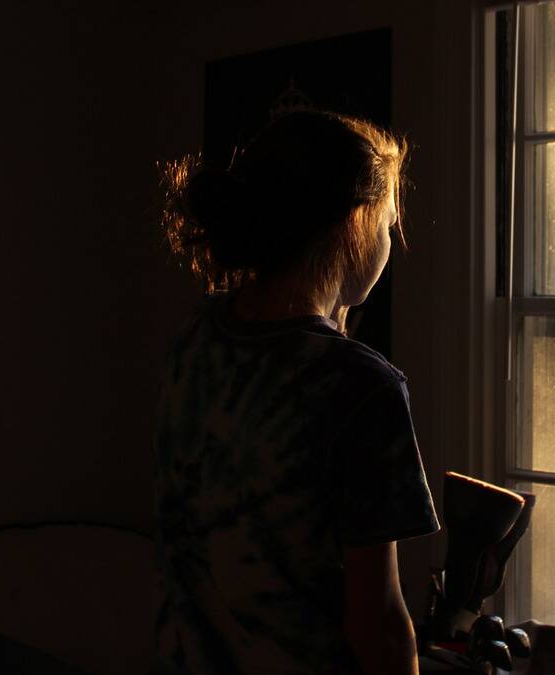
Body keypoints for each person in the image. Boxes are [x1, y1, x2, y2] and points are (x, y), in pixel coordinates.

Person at [153, 110, 439, 675]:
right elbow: (376, 620)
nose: (388, 240)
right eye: (387, 224)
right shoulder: (359, 387)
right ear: (356, 224)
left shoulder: (192, 340)